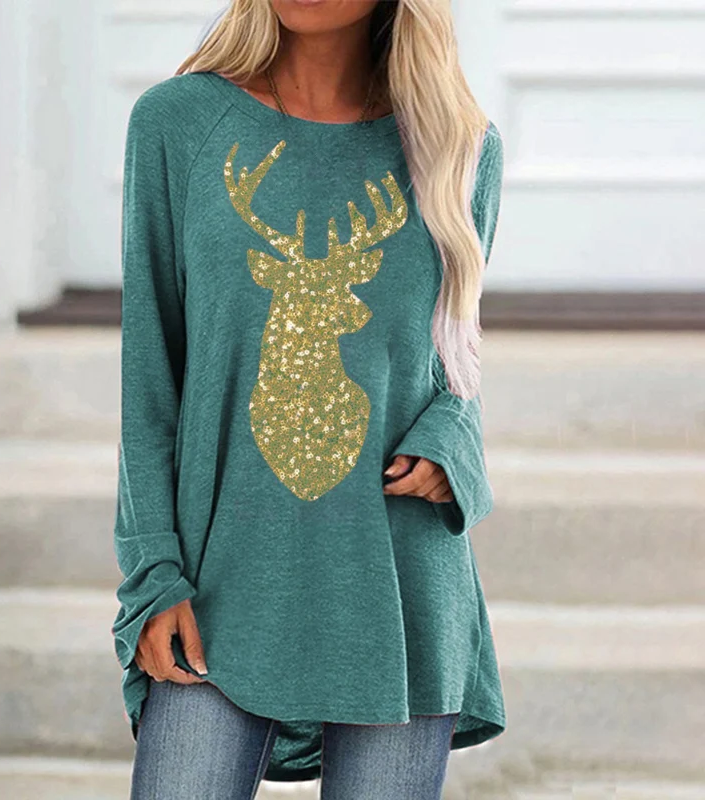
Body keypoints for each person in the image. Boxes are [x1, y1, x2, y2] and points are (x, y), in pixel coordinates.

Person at [111, 1, 506, 797]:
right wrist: (152, 572)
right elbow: (150, 376)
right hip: (220, 578)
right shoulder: (179, 125)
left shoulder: (461, 147)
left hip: (398, 587)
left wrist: (449, 447)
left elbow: (450, 365)